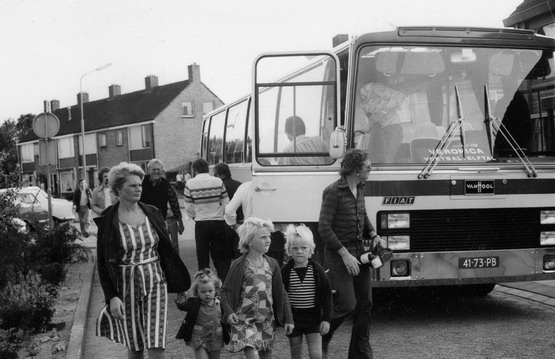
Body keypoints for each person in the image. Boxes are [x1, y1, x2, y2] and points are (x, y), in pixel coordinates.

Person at [94, 162, 191, 359]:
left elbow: (166, 250)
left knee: (156, 344)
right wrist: (111, 296)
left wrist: (178, 280)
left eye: (140, 184)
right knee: (136, 345)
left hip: (155, 282)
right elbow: (103, 262)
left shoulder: (152, 212)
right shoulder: (108, 219)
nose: (139, 188)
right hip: (125, 286)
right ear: (118, 189)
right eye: (132, 185)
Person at [318, 149, 381, 359]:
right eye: (368, 167)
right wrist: (344, 254)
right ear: (355, 170)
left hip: (359, 251)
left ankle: (360, 353)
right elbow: (324, 228)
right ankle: (322, 337)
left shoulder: (361, 187)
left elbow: (362, 213)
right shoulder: (333, 191)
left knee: (365, 303)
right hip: (339, 253)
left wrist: (373, 234)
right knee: (347, 304)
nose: (371, 169)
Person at [220, 217, 294, 359]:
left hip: (266, 321)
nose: (268, 240)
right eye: (263, 237)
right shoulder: (239, 265)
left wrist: (289, 318)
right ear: (249, 241)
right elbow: (224, 291)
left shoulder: (272, 264)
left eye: (269, 236)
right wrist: (229, 312)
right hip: (244, 321)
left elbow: (282, 293)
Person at [281, 224, 332, 359]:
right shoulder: (285, 271)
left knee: (316, 355)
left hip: (314, 319)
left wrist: (326, 320)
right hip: (293, 319)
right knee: (296, 354)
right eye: (295, 248)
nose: (299, 251)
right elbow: (280, 296)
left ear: (311, 250)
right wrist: (284, 318)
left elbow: (327, 296)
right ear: (289, 250)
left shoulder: (317, 270)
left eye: (304, 248)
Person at [184, 158, 230, 281]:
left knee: (202, 257)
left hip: (201, 223)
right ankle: (223, 284)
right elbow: (226, 202)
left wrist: (195, 216)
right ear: (207, 168)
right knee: (220, 257)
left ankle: (205, 284)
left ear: (194, 169)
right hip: (218, 222)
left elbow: (188, 206)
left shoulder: (190, 183)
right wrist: (220, 214)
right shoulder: (218, 181)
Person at [176, 268, 229, 359]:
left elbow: (227, 316)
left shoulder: (220, 303)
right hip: (199, 340)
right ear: (197, 292)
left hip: (216, 339)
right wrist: (180, 299)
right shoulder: (194, 303)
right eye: (203, 292)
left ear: (215, 290)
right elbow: (183, 306)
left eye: (210, 291)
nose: (207, 294)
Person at [140, 159, 184, 254]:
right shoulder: (141, 183)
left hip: (161, 221)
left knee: (163, 247)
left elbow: (174, 204)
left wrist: (180, 222)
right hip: (144, 221)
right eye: (154, 169)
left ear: (162, 170)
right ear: (148, 170)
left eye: (158, 169)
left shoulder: (166, 184)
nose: (156, 171)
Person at [359, 82, 407, 163]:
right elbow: (373, 119)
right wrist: (362, 130)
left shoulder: (372, 88)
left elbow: (399, 96)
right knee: (373, 161)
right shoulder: (361, 103)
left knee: (386, 161)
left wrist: (383, 112)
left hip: (391, 128)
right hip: (377, 131)